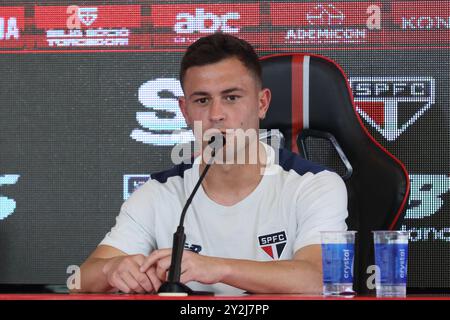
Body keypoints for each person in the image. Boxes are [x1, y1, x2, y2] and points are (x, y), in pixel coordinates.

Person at [74, 33, 348, 295]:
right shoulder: (158, 193)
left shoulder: (314, 185)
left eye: (231, 97)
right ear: (185, 111)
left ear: (262, 103)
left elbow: (320, 278)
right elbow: (78, 279)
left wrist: (216, 267)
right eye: (202, 100)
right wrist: (113, 269)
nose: (216, 115)